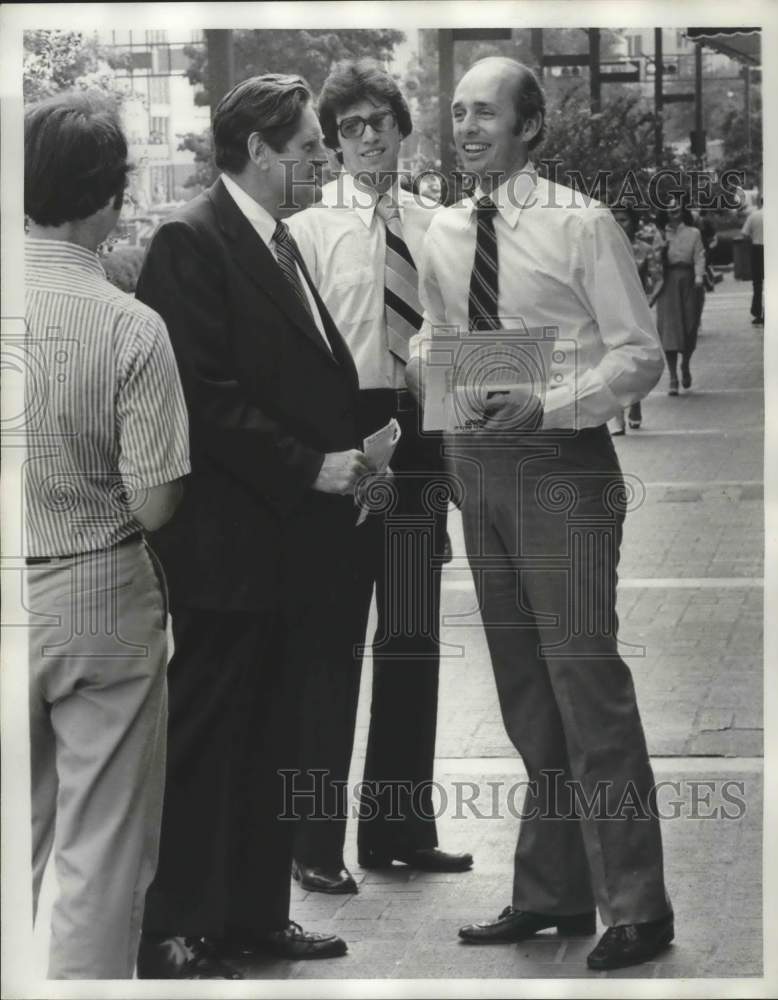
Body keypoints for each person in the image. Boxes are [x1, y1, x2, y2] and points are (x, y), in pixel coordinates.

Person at [406, 57, 674, 971]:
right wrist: (428, 365)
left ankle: (638, 906)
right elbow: (438, 334)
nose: (467, 127)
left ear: (530, 128)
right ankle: (552, 891)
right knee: (525, 691)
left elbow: (637, 354)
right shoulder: (442, 227)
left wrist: (549, 405)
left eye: (486, 113)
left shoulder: (579, 221)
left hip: (562, 465)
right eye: (458, 113)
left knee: (585, 684)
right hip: (476, 459)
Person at [133, 74, 372, 978]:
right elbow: (199, 396)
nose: (322, 157)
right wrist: (310, 463)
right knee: (209, 740)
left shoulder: (276, 240)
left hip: (287, 548)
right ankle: (178, 928)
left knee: (275, 732)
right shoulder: (188, 240)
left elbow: (290, 372)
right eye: (310, 144)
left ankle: (256, 916)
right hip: (227, 552)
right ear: (262, 149)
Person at [287, 59, 472, 894]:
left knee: (409, 643)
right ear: (331, 143)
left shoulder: (442, 226)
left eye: (379, 121)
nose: (367, 137)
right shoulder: (305, 232)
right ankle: (312, 845)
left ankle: (399, 830)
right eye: (350, 127)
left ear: (401, 127)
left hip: (422, 438)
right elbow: (291, 358)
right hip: (343, 443)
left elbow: (465, 348)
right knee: (328, 651)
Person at [23, 91, 190, 978]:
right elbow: (158, 502)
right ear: (109, 198)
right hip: (97, 589)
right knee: (103, 851)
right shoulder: (130, 324)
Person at [608, 206, 660, 433]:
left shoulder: (645, 250)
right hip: (608, 310)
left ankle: (635, 403)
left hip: (635, 312)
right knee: (610, 360)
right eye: (615, 220)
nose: (620, 224)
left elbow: (658, 278)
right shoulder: (601, 249)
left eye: (624, 220)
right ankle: (616, 416)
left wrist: (648, 301)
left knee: (633, 359)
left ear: (634, 222)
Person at [652, 198, 705, 394]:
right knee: (669, 330)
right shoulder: (659, 234)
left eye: (676, 209)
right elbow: (653, 260)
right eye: (669, 210)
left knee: (690, 327)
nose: (673, 212)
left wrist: (699, 277)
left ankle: (686, 364)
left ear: (682, 211)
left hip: (690, 281)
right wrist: (661, 250)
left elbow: (700, 256)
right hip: (667, 282)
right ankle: (673, 376)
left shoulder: (694, 233)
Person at [741, 196, 764, 325]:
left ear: (760, 202)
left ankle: (757, 312)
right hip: (774, 249)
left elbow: (744, 234)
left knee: (757, 283)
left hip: (757, 248)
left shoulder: (754, 216)